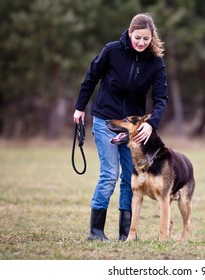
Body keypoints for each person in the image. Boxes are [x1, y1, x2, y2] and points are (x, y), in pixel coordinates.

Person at [73, 13, 168, 241]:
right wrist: (79, 107)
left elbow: (161, 98)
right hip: (105, 120)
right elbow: (91, 77)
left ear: (151, 37)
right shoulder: (112, 50)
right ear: (129, 33)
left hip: (132, 130)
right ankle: (96, 232)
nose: (141, 43)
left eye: (146, 39)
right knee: (109, 174)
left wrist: (151, 124)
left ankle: (127, 233)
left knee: (130, 177)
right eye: (138, 38)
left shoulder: (155, 63)